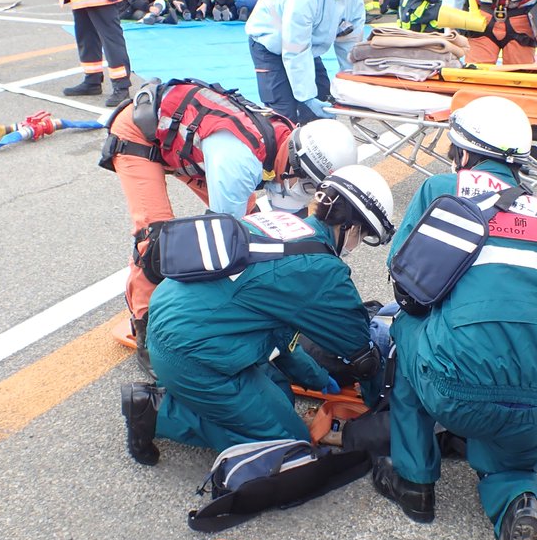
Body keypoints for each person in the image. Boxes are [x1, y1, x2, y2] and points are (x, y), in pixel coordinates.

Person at [372, 96, 537, 540]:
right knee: (509, 450)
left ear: (464, 153)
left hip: (455, 388)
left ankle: (415, 483)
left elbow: (408, 280)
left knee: (405, 328)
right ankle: (520, 505)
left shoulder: (441, 192)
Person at [119, 164, 395, 465]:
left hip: (173, 318)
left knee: (282, 398)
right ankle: (157, 412)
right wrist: (376, 407)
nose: (356, 244)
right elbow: (361, 353)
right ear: (353, 228)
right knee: (291, 445)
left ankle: (201, 400)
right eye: (363, 237)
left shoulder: (282, 223)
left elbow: (283, 336)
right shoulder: (323, 270)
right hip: (191, 354)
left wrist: (316, 377)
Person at [104, 80, 360, 369]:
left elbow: (278, 233)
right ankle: (146, 327)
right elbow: (218, 251)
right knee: (155, 242)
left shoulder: (286, 141)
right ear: (295, 166)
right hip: (141, 134)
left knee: (253, 225)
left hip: (189, 144)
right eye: (307, 185)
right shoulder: (237, 165)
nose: (307, 193)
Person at [245, 0, 369, 122]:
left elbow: (349, 46)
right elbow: (295, 48)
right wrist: (307, 98)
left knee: (324, 102)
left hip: (308, 44)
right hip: (269, 41)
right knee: (284, 112)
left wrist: (353, 95)